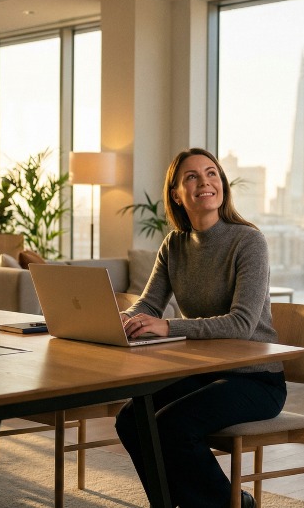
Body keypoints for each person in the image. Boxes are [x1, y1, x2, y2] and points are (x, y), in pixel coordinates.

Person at [114, 148, 285, 508]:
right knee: (132, 419)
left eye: (211, 174)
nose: (204, 182)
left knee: (174, 426)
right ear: (176, 193)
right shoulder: (174, 245)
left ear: (222, 184)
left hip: (255, 380)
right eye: (191, 176)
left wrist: (168, 327)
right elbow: (149, 302)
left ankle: (230, 504)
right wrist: (124, 319)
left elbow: (241, 323)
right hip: (205, 373)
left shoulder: (248, 241)